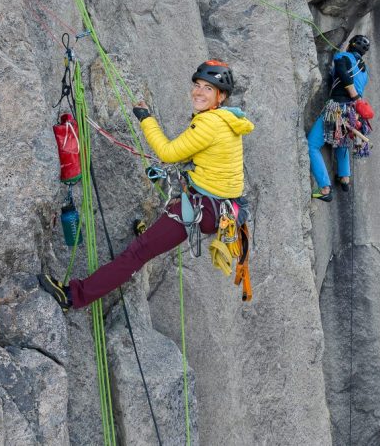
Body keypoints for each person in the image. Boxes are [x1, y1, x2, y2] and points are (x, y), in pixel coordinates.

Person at [39, 60, 254, 310]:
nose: (198, 92)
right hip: (218, 206)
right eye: (197, 85)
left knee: (137, 253)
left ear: (222, 96)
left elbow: (167, 152)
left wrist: (146, 119)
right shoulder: (227, 121)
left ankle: (73, 296)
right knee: (154, 232)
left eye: (208, 88)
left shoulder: (209, 123)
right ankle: (154, 235)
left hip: (203, 208)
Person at [308, 34, 372, 202]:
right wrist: (357, 101)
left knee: (312, 145)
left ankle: (324, 188)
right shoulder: (365, 70)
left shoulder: (341, 57)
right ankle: (344, 177)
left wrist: (355, 97)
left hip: (337, 108)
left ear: (350, 45)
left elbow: (344, 76)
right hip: (351, 112)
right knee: (340, 141)